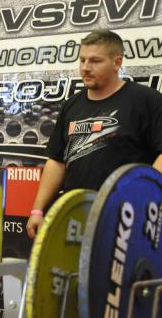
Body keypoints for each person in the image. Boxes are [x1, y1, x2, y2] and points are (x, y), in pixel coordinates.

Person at [26, 29, 162, 239]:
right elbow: (56, 161)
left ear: (117, 63)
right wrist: (37, 210)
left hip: (127, 220)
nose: (86, 68)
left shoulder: (146, 101)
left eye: (95, 61)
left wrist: (141, 199)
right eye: (82, 60)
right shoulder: (72, 105)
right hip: (76, 215)